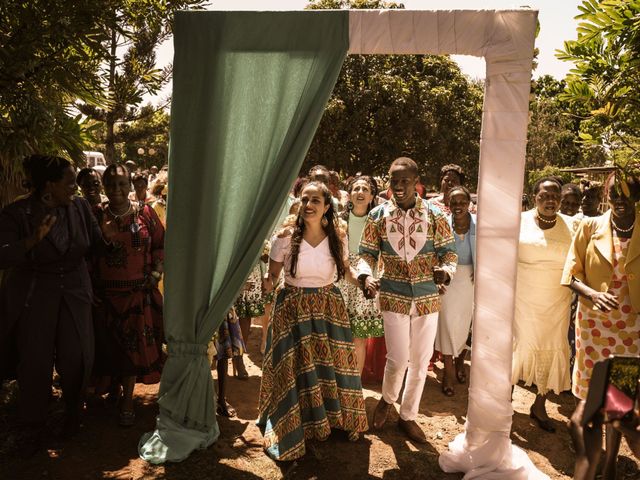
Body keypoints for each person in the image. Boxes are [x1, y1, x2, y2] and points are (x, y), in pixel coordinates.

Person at [0, 155, 109, 452]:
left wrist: (115, 236)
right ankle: (32, 424)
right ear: (49, 185)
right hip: (36, 296)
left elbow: (98, 244)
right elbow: (3, 255)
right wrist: (31, 241)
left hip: (75, 291)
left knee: (78, 357)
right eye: (70, 181)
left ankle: (72, 413)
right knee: (35, 361)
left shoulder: (80, 207)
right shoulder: (17, 213)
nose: (76, 186)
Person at [258, 181, 368, 461]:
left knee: (331, 365)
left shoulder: (338, 236)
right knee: (295, 368)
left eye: (315, 200)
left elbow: (345, 271)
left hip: (328, 308)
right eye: (304, 199)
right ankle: (296, 425)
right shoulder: (285, 237)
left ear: (327, 207)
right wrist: (267, 283)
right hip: (292, 308)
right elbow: (272, 277)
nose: (308, 205)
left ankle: (331, 420)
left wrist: (365, 282)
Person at [358, 157, 457, 444]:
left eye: (405, 181)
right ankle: (387, 400)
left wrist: (445, 272)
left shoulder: (436, 215)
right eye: (394, 180)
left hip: (427, 296)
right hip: (393, 294)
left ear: (416, 182)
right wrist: (365, 276)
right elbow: (365, 253)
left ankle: (408, 416)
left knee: (421, 361)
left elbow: (449, 253)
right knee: (398, 358)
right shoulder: (378, 215)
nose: (399, 186)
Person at [562, 172, 639, 478]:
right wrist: (593, 293)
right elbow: (570, 274)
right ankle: (591, 466)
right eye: (613, 194)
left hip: (631, 330)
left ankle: (609, 465)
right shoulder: (590, 226)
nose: (619, 200)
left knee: (620, 401)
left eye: (626, 193)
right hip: (594, 328)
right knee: (590, 404)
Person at [91, 163, 165, 427]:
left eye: (122, 183)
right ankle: (113, 391)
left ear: (131, 185)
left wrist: (155, 274)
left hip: (138, 294)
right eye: (111, 184)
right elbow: (87, 253)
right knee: (110, 347)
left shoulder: (144, 213)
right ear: (104, 187)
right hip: (105, 296)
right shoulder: (95, 214)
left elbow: (159, 244)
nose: (117, 189)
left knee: (134, 350)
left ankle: (127, 400)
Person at [512, 177, 579, 433]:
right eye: (544, 195)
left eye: (555, 196)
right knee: (517, 348)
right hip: (522, 300)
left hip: (556, 301)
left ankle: (539, 405)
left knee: (551, 349)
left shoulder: (573, 225)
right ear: (534, 196)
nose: (550, 200)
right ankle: (504, 403)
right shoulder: (518, 221)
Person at [340, 175, 384, 374]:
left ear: (372, 195)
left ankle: (355, 383)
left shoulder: (377, 220)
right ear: (349, 194)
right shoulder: (338, 219)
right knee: (339, 333)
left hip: (367, 276)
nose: (360, 193)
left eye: (365, 189)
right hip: (340, 275)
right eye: (356, 189)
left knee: (359, 334)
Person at [435, 186, 475, 397]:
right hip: (447, 279)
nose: (458, 206)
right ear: (448, 205)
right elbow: (434, 252)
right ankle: (449, 370)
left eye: (462, 202)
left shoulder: (479, 226)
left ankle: (461, 361)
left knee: (466, 323)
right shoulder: (442, 225)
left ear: (469, 203)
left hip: (471, 280)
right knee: (448, 323)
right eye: (454, 203)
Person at [214, 309, 246, 417]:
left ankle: (221, 399)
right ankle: (207, 399)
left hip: (220, 305)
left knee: (223, 353)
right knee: (201, 354)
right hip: (203, 304)